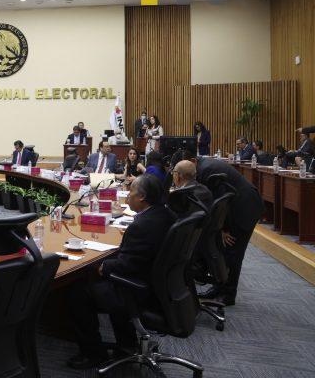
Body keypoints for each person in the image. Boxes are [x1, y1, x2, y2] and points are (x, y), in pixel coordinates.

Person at [65, 174, 175, 369]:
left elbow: (128, 265)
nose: (128, 195)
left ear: (142, 197)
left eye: (131, 191)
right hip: (162, 288)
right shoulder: (168, 215)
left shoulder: (142, 225)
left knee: (77, 293)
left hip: (139, 290)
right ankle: (126, 344)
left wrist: (104, 266)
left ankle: (93, 353)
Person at [176, 149, 265, 305]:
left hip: (244, 208)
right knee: (222, 250)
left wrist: (223, 229)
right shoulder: (202, 167)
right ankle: (219, 288)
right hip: (234, 207)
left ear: (193, 161)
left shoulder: (206, 170)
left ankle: (228, 295)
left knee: (233, 253)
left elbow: (219, 201)